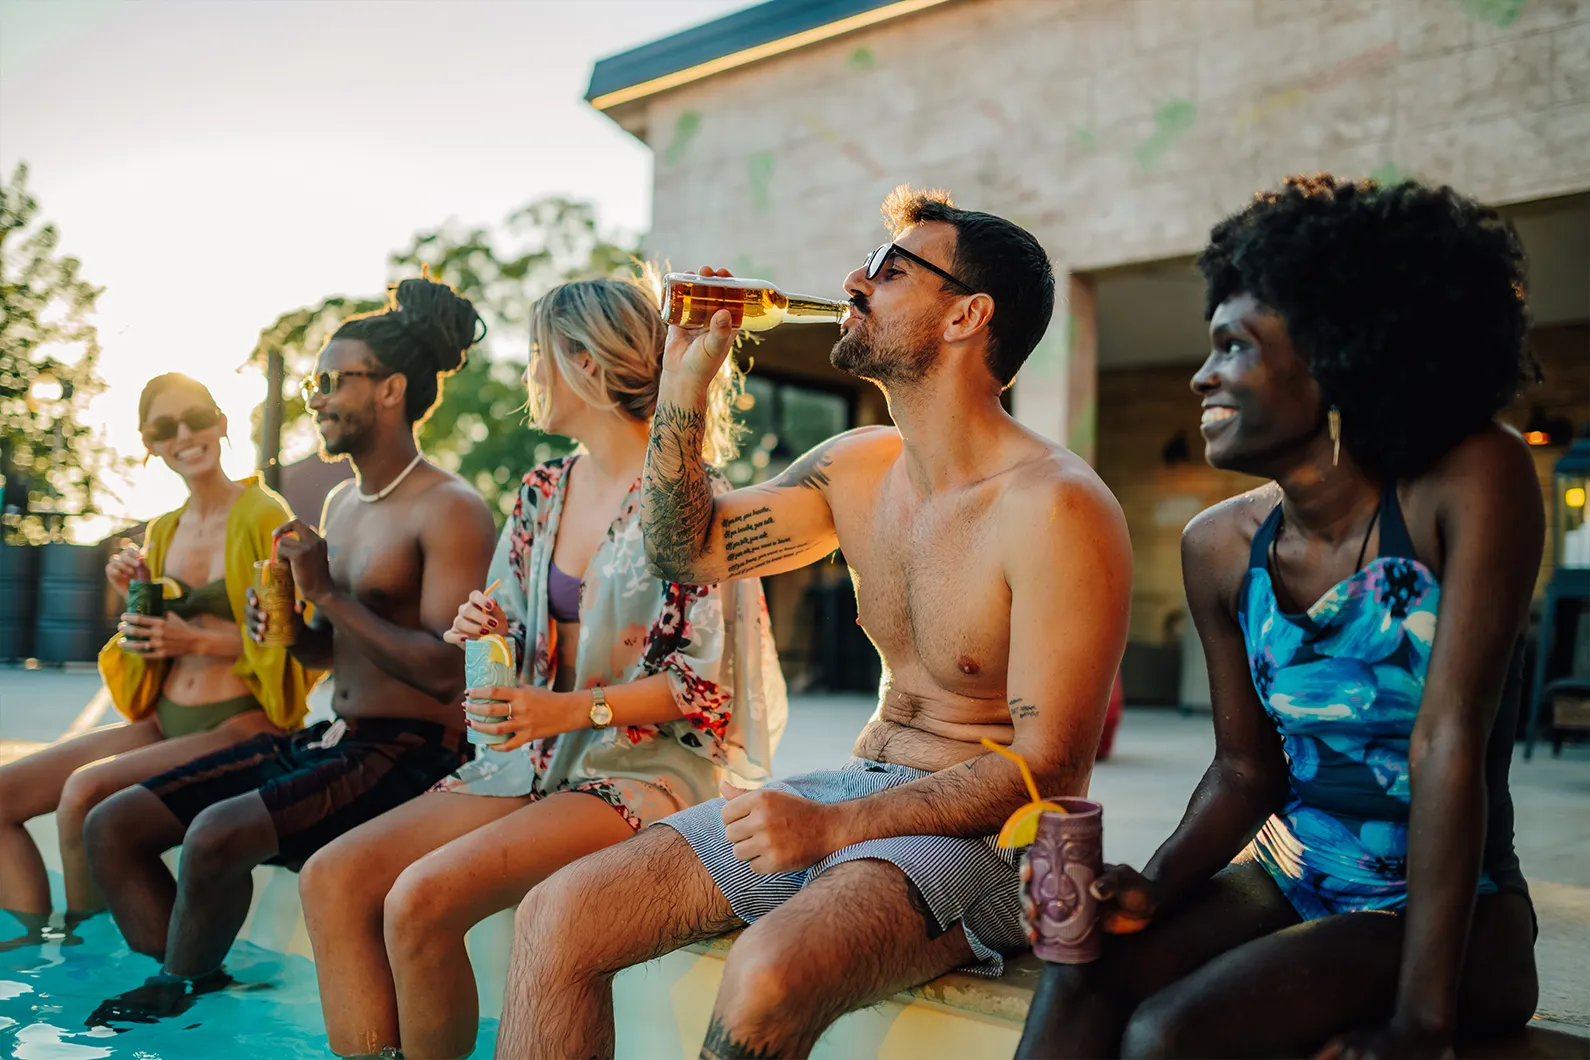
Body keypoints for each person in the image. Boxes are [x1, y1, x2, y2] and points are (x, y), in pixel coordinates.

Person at [495, 186, 1133, 1059]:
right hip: (858, 786)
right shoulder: (858, 468)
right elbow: (685, 550)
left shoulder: (1057, 507)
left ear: (966, 316)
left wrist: (835, 831)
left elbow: (1050, 766)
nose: (853, 281)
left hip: (987, 836)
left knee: (766, 975)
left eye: (890, 269)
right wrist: (686, 383)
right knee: (555, 914)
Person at [1015, 174, 1541, 1060]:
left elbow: (1447, 740)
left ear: (1334, 356)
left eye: (1233, 347)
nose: (1202, 374)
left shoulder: (1471, 480)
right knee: (1082, 975)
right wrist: (1151, 885)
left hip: (1458, 914)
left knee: (1170, 1037)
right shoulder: (1219, 548)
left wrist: (1422, 1024)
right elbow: (1244, 772)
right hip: (1296, 880)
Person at [297, 275, 787, 1060]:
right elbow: (513, 637)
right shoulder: (540, 493)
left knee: (420, 901)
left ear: (586, 365)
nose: (532, 376)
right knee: (332, 879)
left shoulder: (690, 500)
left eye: (539, 357)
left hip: (642, 768)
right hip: (532, 760)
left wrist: (564, 712)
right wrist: (482, 627)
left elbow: (706, 689)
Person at [81, 276, 498, 1021]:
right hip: (335, 737)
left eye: (334, 381)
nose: (317, 398)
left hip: (415, 752)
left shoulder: (451, 508)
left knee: (215, 834)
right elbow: (329, 657)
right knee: (112, 825)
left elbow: (447, 673)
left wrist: (329, 594)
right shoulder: (343, 502)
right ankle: (192, 983)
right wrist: (296, 631)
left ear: (391, 390)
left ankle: (174, 997)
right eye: (315, 381)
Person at [0, 373, 316, 942]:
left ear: (222, 423)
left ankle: (89, 952)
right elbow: (146, 649)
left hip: (242, 722)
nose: (184, 435)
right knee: (3, 798)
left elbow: (299, 637)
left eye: (196, 418)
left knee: (83, 796)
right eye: (164, 428)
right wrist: (133, 597)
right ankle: (33, 953)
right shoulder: (163, 530)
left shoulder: (264, 514)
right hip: (163, 720)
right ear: (148, 444)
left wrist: (194, 641)